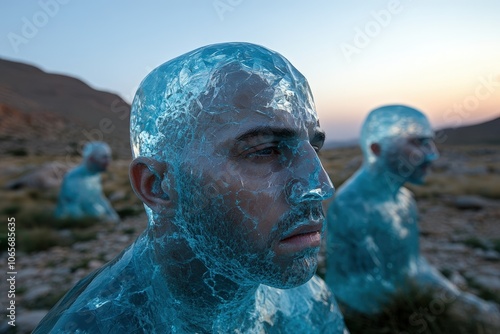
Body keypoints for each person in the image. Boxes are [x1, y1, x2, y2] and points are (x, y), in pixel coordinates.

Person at [35, 42, 348, 333]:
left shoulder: (308, 302)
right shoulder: (94, 324)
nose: (321, 186)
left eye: (314, 149)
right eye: (265, 150)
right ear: (156, 186)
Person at [325, 105, 500, 330]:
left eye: (429, 141)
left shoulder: (405, 200)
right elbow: (368, 284)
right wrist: (451, 307)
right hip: (366, 309)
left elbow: (411, 265)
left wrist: (458, 298)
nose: (433, 153)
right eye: (418, 142)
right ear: (377, 148)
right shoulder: (352, 205)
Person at [55, 141, 120, 223]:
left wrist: (113, 216)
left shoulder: (95, 175)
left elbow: (99, 197)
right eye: (104, 157)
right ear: (91, 159)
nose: (108, 161)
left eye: (109, 157)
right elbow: (72, 210)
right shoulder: (73, 178)